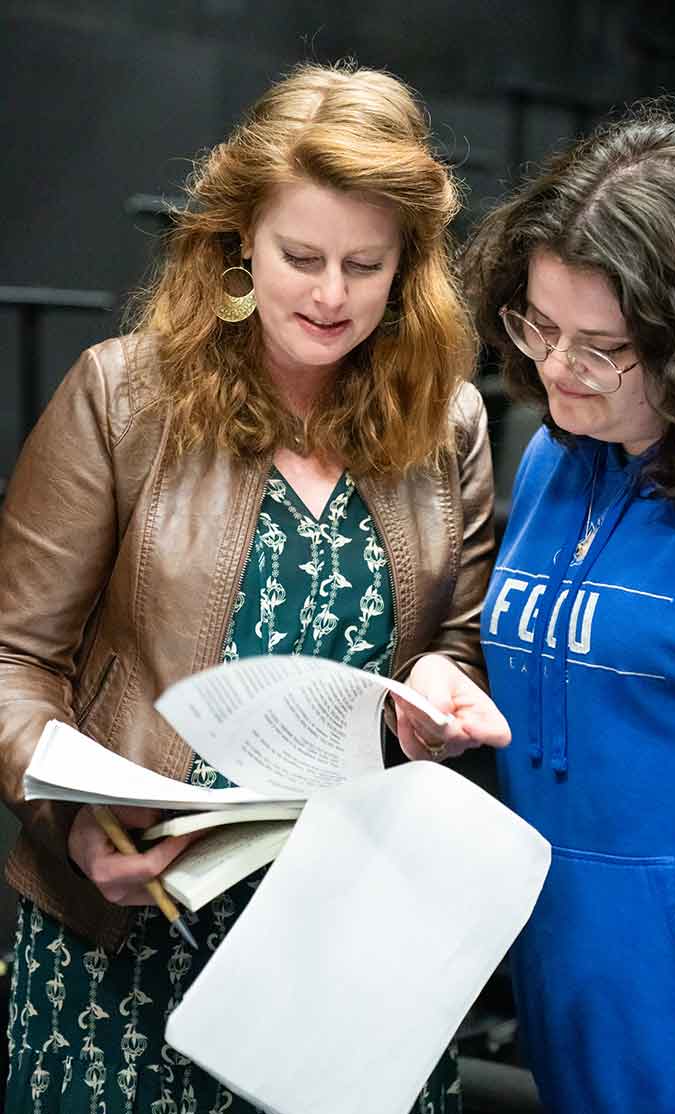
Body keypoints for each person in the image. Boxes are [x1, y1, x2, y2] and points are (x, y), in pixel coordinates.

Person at [0, 61, 510, 1114]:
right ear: (238, 239)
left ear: (406, 264)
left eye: (364, 266)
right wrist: (75, 824)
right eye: (300, 256)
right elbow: (15, 660)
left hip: (346, 940)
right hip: (131, 932)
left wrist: (436, 692)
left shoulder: (446, 420)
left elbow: (451, 644)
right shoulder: (122, 396)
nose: (330, 296)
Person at [463, 104, 675, 1114]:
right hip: (577, 1004)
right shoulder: (555, 455)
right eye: (538, 323)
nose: (557, 368)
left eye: (601, 345)